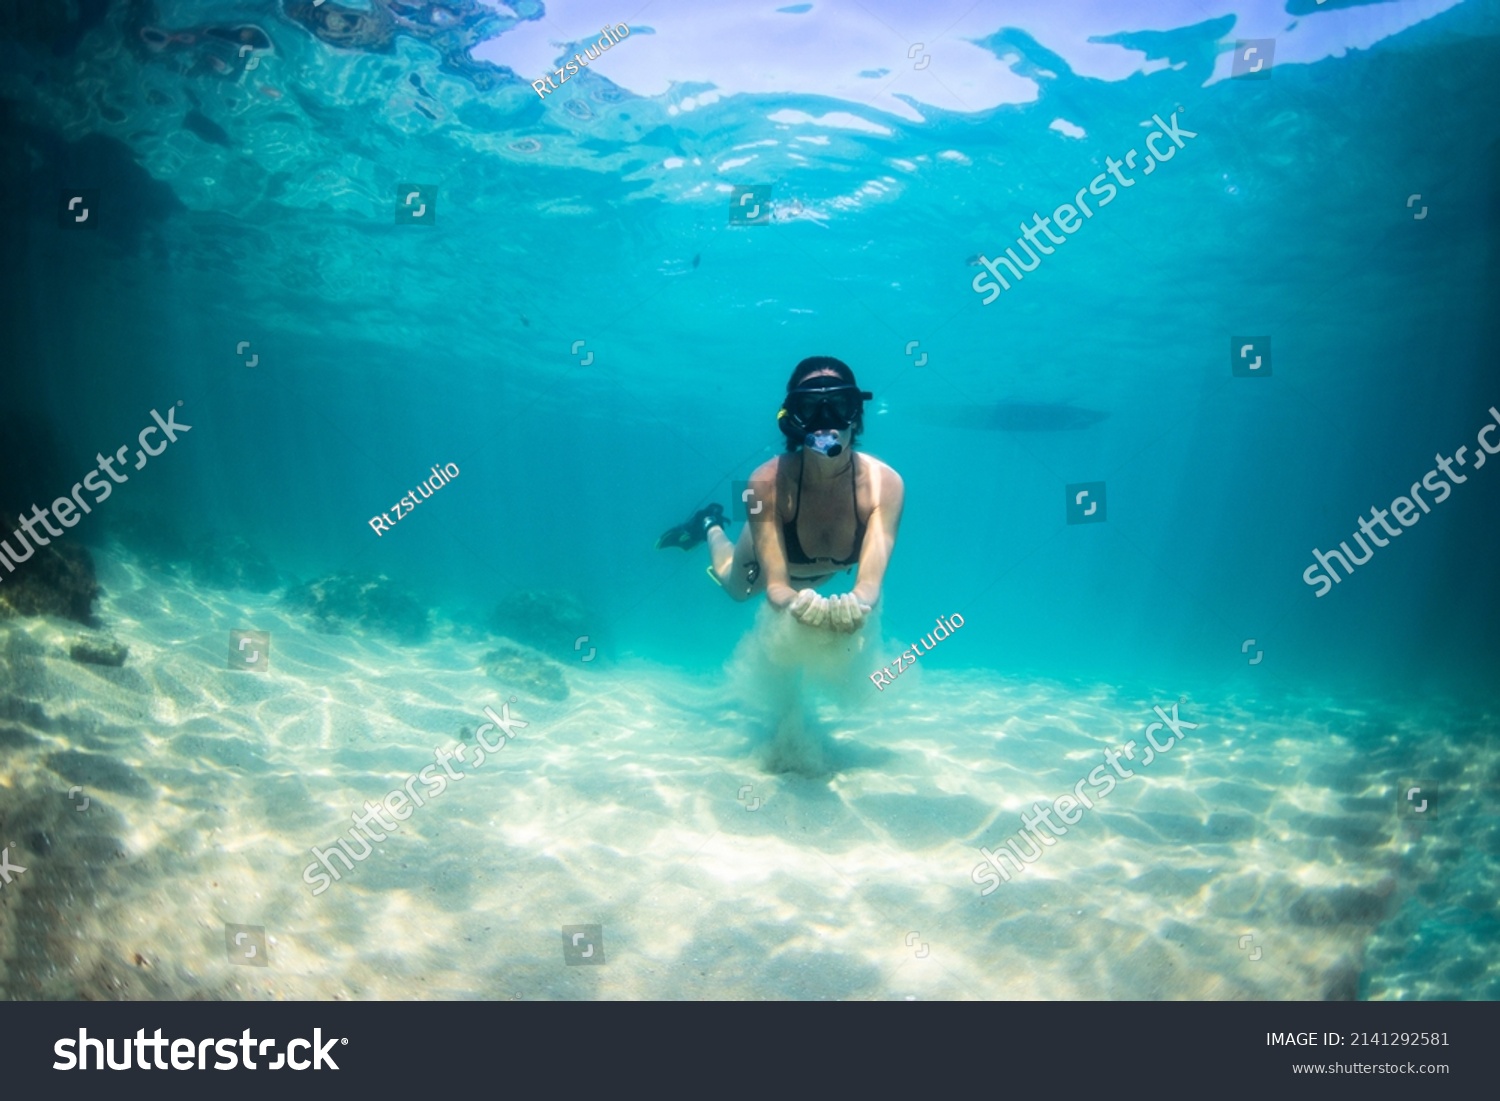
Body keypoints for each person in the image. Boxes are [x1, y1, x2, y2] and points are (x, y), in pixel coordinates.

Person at [656, 357, 904, 632]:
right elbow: (776, 588)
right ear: (792, 421)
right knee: (738, 592)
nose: (825, 422)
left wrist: (856, 604)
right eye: (808, 408)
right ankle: (709, 524)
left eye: (840, 405)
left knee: (809, 586)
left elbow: (869, 585)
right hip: (760, 547)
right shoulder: (762, 481)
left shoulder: (887, 484)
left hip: (818, 575)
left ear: (856, 417)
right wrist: (793, 604)